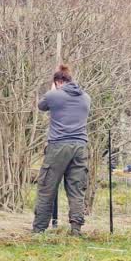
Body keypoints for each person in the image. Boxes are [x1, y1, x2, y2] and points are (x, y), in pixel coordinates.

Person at [34, 64, 91, 235]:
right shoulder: (86, 97)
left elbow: (41, 106)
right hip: (80, 147)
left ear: (58, 82)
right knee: (76, 188)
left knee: (47, 187)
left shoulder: (54, 95)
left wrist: (52, 90)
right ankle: (76, 229)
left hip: (58, 146)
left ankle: (39, 229)